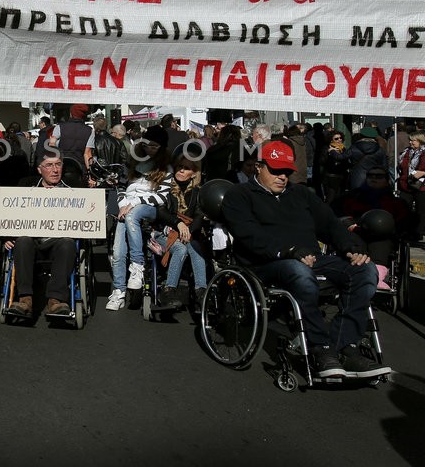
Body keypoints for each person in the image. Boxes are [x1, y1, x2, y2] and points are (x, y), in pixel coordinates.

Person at [220, 140, 390, 379]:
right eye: (275, 170)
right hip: (265, 263)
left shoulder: (301, 194)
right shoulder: (239, 195)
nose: (282, 177)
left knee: (365, 271)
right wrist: (288, 250)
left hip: (310, 258)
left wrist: (351, 248)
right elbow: (248, 234)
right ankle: (320, 347)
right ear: (258, 167)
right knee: (299, 273)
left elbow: (330, 224)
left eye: (287, 172)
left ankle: (346, 346)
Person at [106, 125, 173, 311]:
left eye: (154, 146)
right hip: (126, 209)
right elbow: (120, 188)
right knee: (118, 251)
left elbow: (162, 197)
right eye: (147, 145)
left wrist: (134, 202)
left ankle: (137, 265)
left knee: (133, 213)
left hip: (149, 208)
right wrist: (122, 206)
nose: (149, 149)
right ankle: (118, 291)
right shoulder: (134, 163)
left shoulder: (166, 168)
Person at [2, 153, 76, 317]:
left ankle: (55, 300)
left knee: (68, 243)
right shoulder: (25, 185)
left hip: (58, 241)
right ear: (39, 169)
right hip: (32, 241)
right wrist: (6, 236)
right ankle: (25, 299)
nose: (55, 170)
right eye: (49, 165)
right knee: (22, 241)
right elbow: (9, 212)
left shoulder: (73, 187)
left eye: (58, 164)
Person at [152, 155, 207, 308]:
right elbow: (161, 211)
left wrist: (188, 230)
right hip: (162, 232)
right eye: (179, 166)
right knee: (181, 249)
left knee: (196, 248)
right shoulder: (166, 187)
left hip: (186, 233)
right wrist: (179, 224)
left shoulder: (197, 192)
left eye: (187, 168)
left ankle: (201, 292)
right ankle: (169, 290)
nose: (181, 170)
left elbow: (199, 215)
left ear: (194, 173)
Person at [397, 131, 425, 241]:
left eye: (413, 140)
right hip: (406, 184)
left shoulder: (423, 153)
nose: (410, 142)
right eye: (410, 140)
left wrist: (422, 173)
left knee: (421, 210)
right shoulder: (407, 152)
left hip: (421, 185)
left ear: (420, 141)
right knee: (404, 208)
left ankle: (419, 232)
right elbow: (401, 166)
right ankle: (405, 230)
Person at [50, 104, 93, 169]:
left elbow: (52, 145)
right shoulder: (90, 131)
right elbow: (87, 154)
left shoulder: (59, 127)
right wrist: (90, 173)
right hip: (79, 168)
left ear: (71, 114)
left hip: (61, 166)